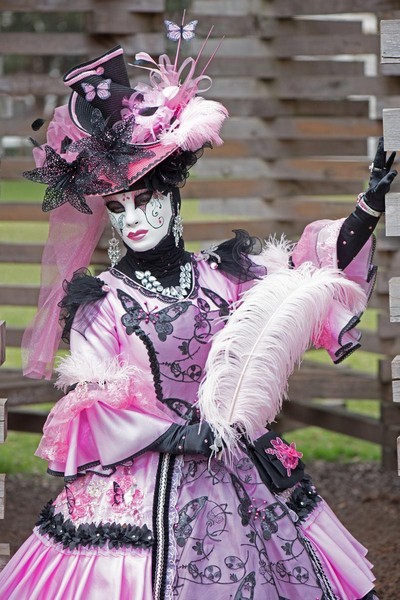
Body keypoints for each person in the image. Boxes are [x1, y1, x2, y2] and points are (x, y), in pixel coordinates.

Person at [0, 18, 396, 600]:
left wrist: (365, 210)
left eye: (147, 200)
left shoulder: (223, 273)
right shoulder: (100, 302)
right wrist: (178, 437)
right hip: (139, 483)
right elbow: (92, 406)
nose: (133, 219)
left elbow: (308, 278)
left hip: (234, 467)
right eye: (119, 206)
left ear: (174, 196)